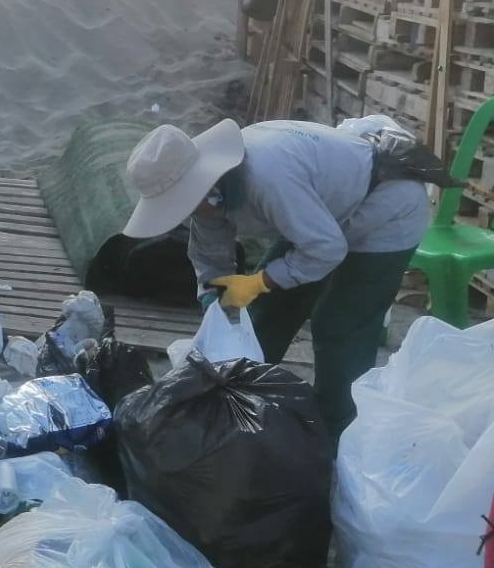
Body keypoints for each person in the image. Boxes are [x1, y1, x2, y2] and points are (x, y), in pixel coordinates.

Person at [122, 117, 434, 439]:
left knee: (340, 326)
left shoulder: (267, 179)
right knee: (266, 310)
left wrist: (259, 282)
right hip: (322, 212)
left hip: (388, 208)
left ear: (201, 184)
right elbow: (210, 252)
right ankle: (233, 396)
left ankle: (337, 430)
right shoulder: (211, 193)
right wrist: (213, 297)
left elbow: (325, 250)